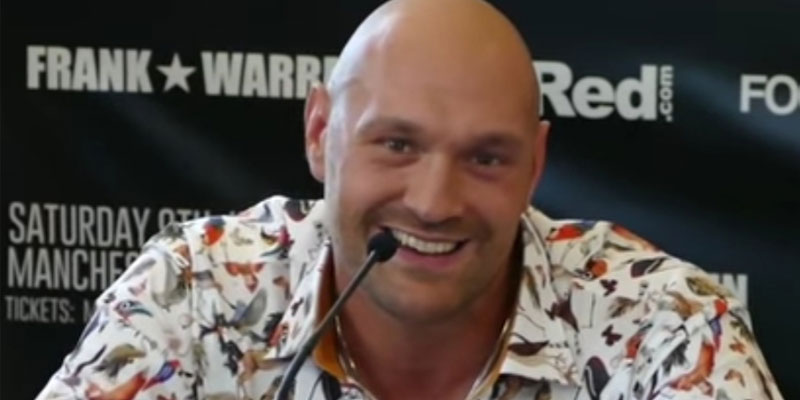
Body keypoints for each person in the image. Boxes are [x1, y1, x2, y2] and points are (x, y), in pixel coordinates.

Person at [36, 0, 782, 399]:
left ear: (535, 166)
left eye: (485, 158)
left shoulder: (666, 328)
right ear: (320, 133)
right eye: (397, 144)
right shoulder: (192, 292)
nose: (432, 203)